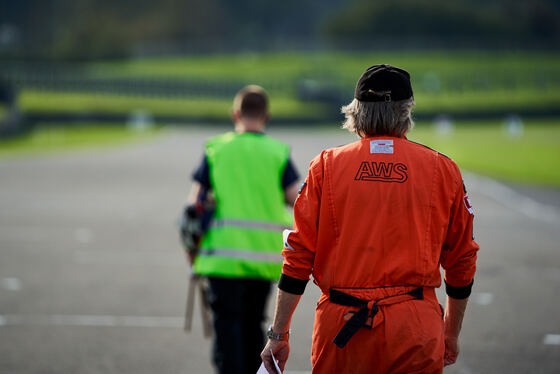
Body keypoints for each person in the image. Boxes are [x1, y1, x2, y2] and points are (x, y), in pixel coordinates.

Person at [261, 65, 480, 374]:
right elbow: (462, 261)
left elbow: (298, 256)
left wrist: (279, 334)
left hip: (343, 327)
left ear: (356, 112)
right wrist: (450, 332)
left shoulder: (325, 166)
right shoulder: (442, 169)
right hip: (415, 328)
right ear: (406, 112)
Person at [185, 85, 300, 374]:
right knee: (252, 328)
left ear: (235, 113)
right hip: (263, 261)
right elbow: (298, 201)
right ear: (267, 116)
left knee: (227, 333)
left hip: (221, 259)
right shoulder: (277, 153)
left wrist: (192, 252)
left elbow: (193, 205)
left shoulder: (216, 149)